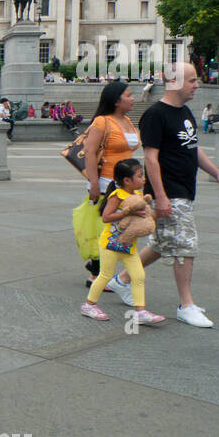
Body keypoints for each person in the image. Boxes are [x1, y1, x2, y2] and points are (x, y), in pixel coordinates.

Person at [108, 63, 219, 327]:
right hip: (170, 191)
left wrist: (218, 173)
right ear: (174, 82)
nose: (196, 85)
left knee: (161, 243)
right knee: (185, 245)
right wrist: (161, 197)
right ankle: (185, 305)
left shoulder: (185, 112)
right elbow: (150, 159)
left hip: (184, 190)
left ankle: (121, 281)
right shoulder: (155, 115)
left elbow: (193, 148)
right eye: (191, 80)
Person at [81, 159, 164, 324]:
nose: (143, 179)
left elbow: (144, 215)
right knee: (104, 275)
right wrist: (127, 212)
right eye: (140, 176)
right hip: (110, 244)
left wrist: (156, 214)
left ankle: (140, 311)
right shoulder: (117, 195)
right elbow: (106, 217)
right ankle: (89, 305)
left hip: (128, 245)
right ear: (127, 180)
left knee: (138, 275)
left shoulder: (138, 195)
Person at [81, 81, 140, 290]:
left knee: (121, 227)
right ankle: (96, 274)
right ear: (116, 100)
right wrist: (93, 182)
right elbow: (89, 151)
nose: (133, 98)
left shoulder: (128, 121)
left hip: (127, 183)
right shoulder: (101, 122)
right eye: (128, 95)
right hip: (107, 182)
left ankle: (106, 272)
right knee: (107, 228)